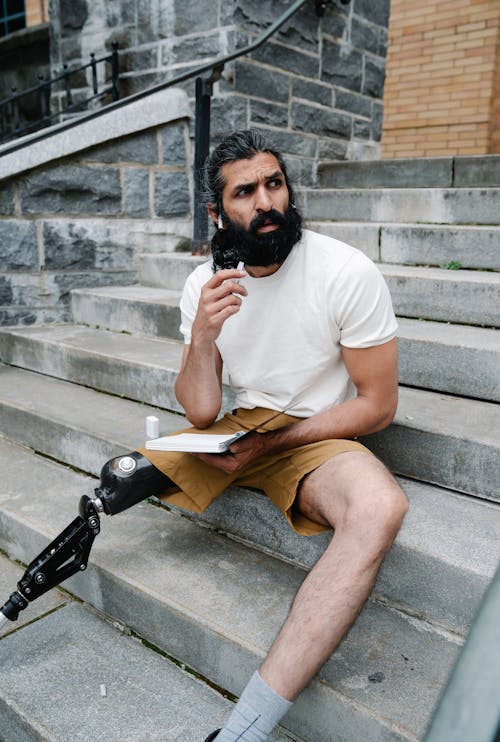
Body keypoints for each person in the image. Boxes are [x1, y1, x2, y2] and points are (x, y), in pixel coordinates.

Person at [137, 129, 408, 742]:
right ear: (216, 212)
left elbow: (378, 405)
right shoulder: (201, 285)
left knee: (380, 506)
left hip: (315, 433)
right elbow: (202, 412)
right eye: (245, 192)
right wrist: (204, 336)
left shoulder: (344, 271)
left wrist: (274, 444)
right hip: (238, 426)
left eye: (274, 184)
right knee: (122, 477)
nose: (265, 203)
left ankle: (245, 729)